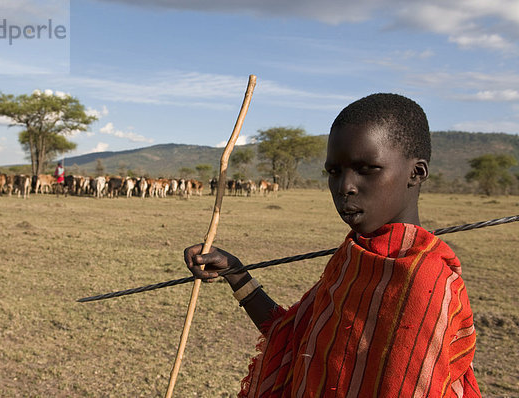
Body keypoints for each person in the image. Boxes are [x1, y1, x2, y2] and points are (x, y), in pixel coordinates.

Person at [184, 93, 481, 397]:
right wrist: (235, 272)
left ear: (416, 174)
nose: (345, 187)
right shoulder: (354, 257)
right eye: (334, 172)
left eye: (366, 168)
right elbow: (294, 339)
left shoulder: (424, 282)